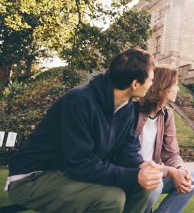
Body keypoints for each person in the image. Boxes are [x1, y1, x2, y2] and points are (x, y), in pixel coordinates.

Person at [5, 48, 164, 213]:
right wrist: (134, 176)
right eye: (151, 80)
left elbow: (126, 148)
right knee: (112, 199)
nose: (152, 84)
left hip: (69, 172)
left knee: (143, 189)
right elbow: (80, 163)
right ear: (135, 84)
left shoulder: (128, 108)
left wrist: (141, 164)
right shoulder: (78, 102)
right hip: (33, 177)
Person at [135, 65, 194, 213]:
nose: (178, 89)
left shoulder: (166, 115)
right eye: (175, 85)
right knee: (155, 185)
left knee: (193, 179)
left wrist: (180, 170)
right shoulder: (133, 110)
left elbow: (171, 153)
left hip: (157, 172)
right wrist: (169, 171)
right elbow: (125, 154)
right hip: (133, 172)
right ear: (162, 86)